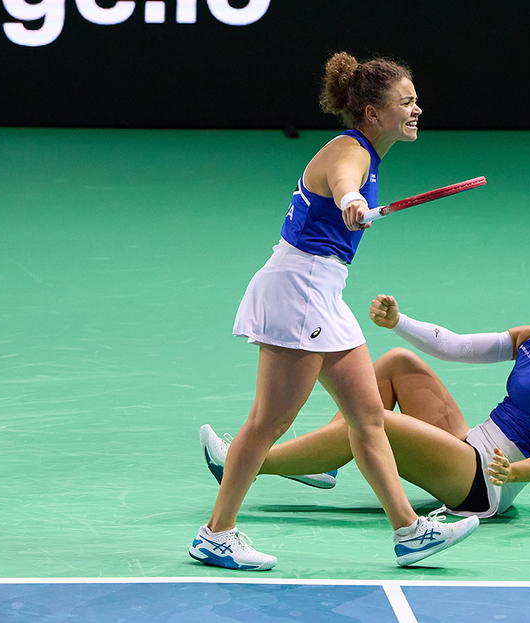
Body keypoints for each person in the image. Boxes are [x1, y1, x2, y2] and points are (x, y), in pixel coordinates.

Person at [188, 52, 479, 571]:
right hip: (299, 292)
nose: (417, 109)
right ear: (372, 112)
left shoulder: (368, 152)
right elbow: (344, 179)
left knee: (368, 418)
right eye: (405, 102)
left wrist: (350, 201)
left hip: (322, 294)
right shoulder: (351, 151)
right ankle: (216, 534)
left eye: (415, 100)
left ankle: (409, 532)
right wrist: (349, 200)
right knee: (266, 425)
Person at [200, 265, 530, 522]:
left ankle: (247, 461)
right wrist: (400, 323)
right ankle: (323, 463)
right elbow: (455, 346)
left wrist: (517, 473)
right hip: (470, 444)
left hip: (485, 482)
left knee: (372, 419)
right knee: (396, 363)